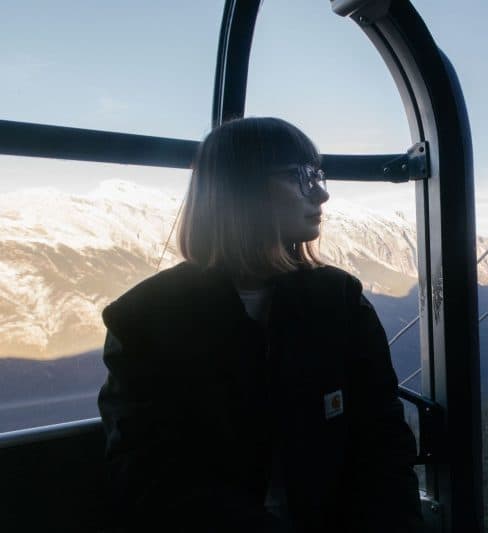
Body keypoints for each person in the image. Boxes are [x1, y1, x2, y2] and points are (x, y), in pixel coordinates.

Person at [97, 117, 423, 532]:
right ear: (242, 188)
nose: (322, 192)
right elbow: (151, 478)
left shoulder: (340, 301)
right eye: (302, 177)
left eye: (318, 175)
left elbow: (383, 444)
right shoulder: (145, 320)